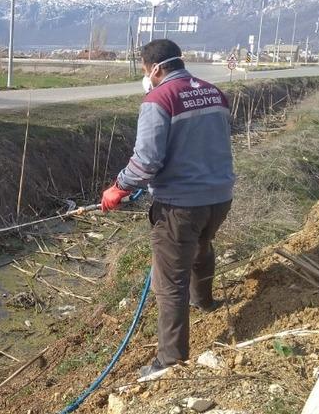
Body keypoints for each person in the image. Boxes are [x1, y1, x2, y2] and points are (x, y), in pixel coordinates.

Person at [100, 39, 235, 376]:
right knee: (201, 246)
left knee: (169, 280)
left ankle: (170, 361)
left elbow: (146, 161)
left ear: (156, 68)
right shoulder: (214, 93)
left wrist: (118, 188)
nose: (147, 76)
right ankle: (204, 301)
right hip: (219, 197)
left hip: (179, 207)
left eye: (146, 70)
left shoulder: (158, 99)